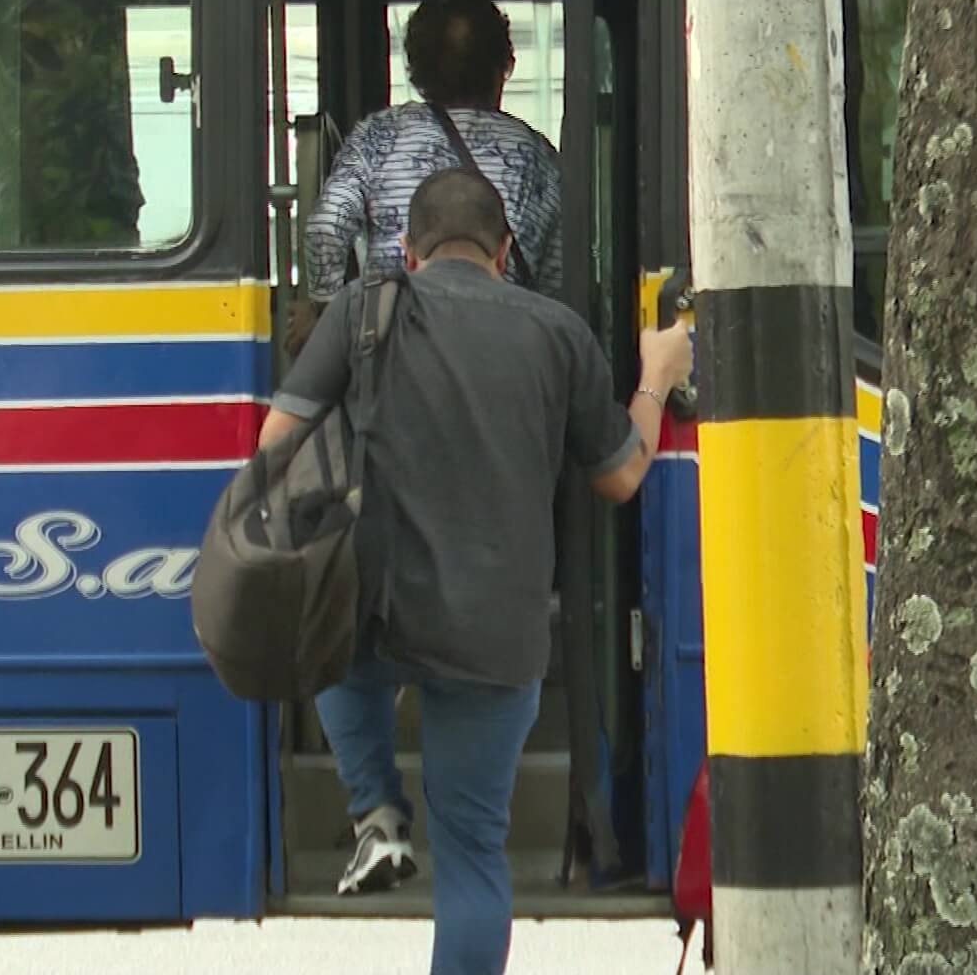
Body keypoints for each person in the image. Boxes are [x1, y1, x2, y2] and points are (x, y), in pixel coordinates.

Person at [260, 168, 695, 975]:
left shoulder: (362, 310)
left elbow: (275, 443)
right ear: (505, 251)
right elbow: (622, 475)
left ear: (406, 249)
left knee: (323, 645)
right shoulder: (556, 331)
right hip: (498, 631)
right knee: (471, 850)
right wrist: (656, 378)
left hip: (376, 610)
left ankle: (376, 809)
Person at [290, 0, 563, 352]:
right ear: (506, 66)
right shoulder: (538, 154)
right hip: (502, 350)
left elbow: (327, 226)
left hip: (395, 351)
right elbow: (555, 279)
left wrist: (325, 311)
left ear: (416, 68)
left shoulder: (378, 136)